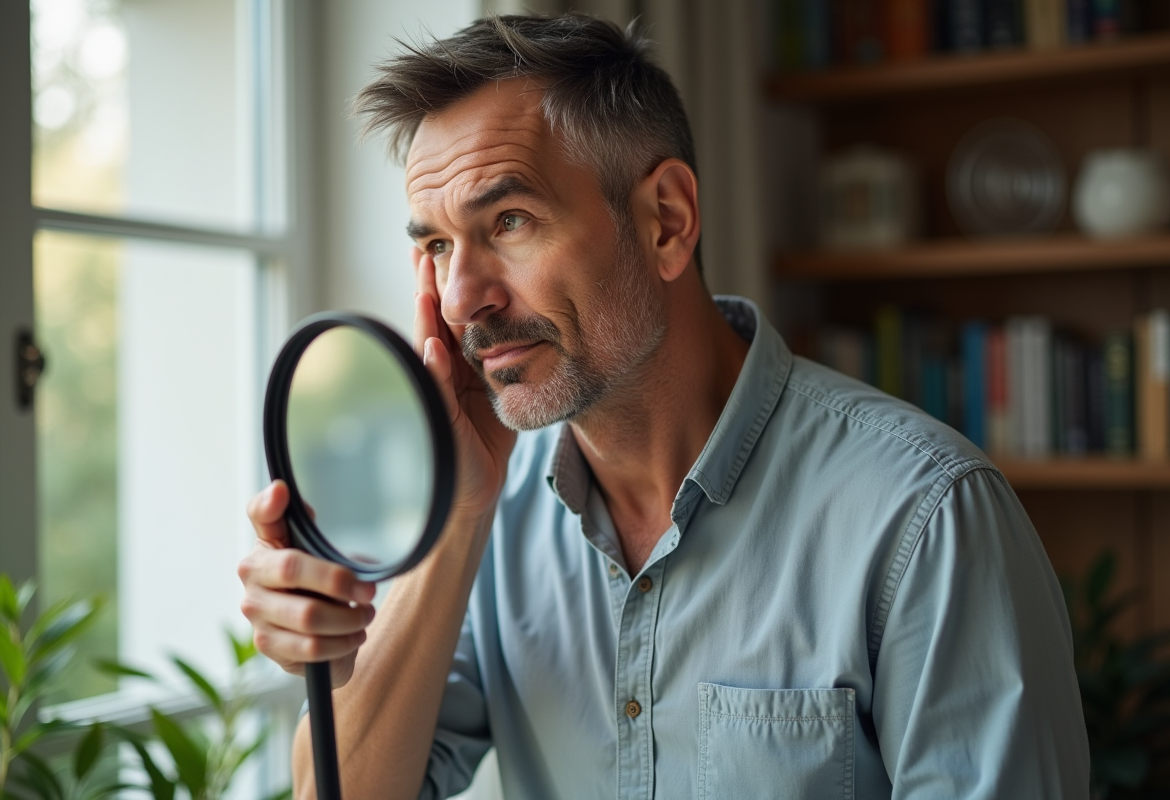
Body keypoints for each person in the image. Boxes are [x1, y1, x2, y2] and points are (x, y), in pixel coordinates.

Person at [238, 14, 1089, 799]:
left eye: (510, 221)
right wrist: (459, 522)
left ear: (667, 221)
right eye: (435, 245)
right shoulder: (487, 515)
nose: (463, 298)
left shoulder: (927, 518)